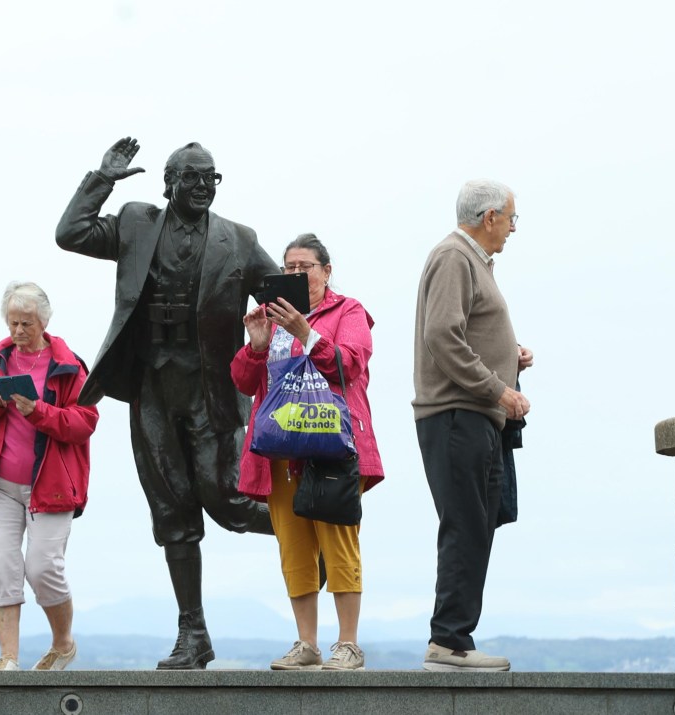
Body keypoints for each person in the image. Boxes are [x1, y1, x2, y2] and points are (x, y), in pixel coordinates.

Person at [55, 137, 279, 669]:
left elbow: (286, 296)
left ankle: (304, 524)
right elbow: (70, 233)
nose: (203, 187)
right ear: (169, 182)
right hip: (152, 388)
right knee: (172, 511)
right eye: (193, 178)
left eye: (211, 178)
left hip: (211, 392)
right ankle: (193, 634)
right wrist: (101, 180)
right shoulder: (135, 222)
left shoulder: (239, 240)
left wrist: (329, 323)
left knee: (226, 500)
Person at [231, 233, 384, 671]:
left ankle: (349, 644)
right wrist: (257, 346)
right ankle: (306, 643)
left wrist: (307, 332)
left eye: (306, 267)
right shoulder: (272, 318)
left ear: (327, 271)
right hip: (280, 450)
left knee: (338, 539)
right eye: (289, 268)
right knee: (293, 546)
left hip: (330, 446)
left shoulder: (348, 310)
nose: (297, 275)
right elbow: (244, 382)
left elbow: (349, 363)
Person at [413, 180, 534, 672]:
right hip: (458, 414)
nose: (512, 228)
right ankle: (448, 642)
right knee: (465, 524)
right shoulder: (454, 258)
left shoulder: (472, 262)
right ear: (489, 217)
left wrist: (511, 362)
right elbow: (442, 335)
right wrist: (497, 388)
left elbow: (464, 333)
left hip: (474, 415)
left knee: (479, 524)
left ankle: (455, 639)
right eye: (511, 218)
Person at [0, 281, 99, 671]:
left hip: (50, 486)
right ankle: (8, 659)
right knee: (3, 567)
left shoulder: (69, 365)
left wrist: (38, 412)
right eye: (13, 322)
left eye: (27, 323)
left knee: (42, 567)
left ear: (44, 322)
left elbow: (85, 421)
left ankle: (63, 643)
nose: (18, 331)